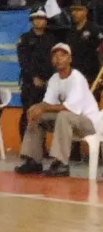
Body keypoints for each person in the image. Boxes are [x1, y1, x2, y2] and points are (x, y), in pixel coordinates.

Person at [15, 41, 103, 177]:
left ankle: (61, 163)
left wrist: (43, 107)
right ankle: (33, 160)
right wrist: (37, 108)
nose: (58, 59)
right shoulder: (54, 79)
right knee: (36, 113)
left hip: (89, 124)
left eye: (62, 55)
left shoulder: (77, 79)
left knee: (63, 115)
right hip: (69, 122)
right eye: (55, 56)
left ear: (70, 59)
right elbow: (47, 103)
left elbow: (69, 108)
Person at [17, 9, 55, 135]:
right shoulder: (25, 38)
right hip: (30, 83)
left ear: (46, 21)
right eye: (36, 18)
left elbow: (55, 61)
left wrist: (52, 80)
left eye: (42, 18)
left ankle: (40, 148)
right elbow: (23, 61)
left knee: (43, 115)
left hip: (48, 83)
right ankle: (25, 147)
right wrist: (34, 76)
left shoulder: (52, 39)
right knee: (28, 112)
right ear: (32, 21)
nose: (39, 21)